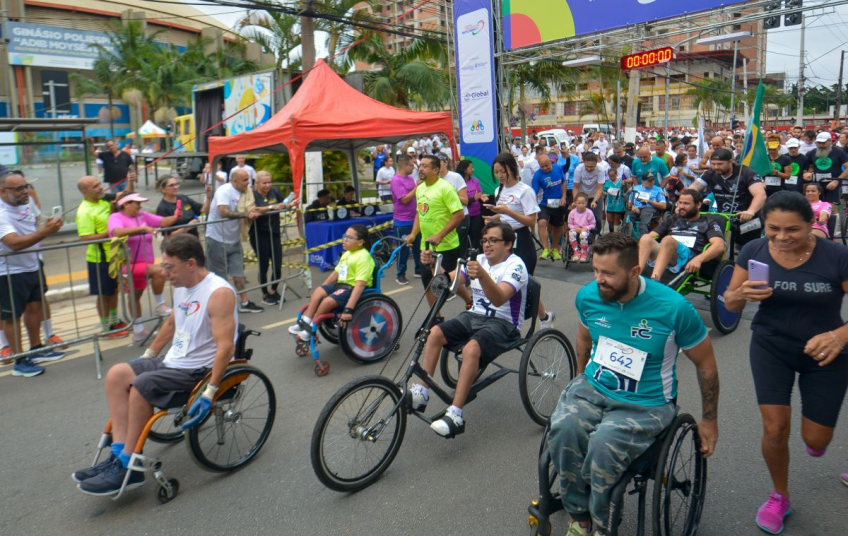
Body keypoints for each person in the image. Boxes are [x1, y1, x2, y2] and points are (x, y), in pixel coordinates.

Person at [548, 232, 719, 536]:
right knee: (563, 428)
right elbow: (584, 337)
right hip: (594, 387)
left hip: (646, 403)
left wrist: (709, 419)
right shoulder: (588, 296)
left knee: (602, 446)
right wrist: (578, 377)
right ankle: (579, 515)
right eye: (596, 270)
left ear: (635, 272)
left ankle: (602, 525)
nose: (599, 280)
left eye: (608, 274)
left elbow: (706, 364)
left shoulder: (673, 308)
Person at [73, 234, 239, 495]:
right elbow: (173, 324)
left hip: (199, 370)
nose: (164, 272)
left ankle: (130, 464)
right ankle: (118, 456)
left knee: (141, 386)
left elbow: (226, 347)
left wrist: (210, 391)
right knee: (118, 373)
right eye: (164, 265)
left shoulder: (218, 293)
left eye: (169, 266)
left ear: (191, 263)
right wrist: (148, 355)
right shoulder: (182, 285)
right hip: (174, 361)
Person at [723, 191, 848, 534]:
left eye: (791, 230)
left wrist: (839, 336)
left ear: (811, 224)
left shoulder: (837, 256)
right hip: (771, 345)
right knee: (775, 428)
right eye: (772, 228)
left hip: (826, 351)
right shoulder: (753, 251)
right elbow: (730, 305)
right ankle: (780, 495)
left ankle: (816, 440)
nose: (780, 237)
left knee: (818, 441)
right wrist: (739, 295)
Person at [409, 221, 528, 437]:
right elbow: (448, 281)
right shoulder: (478, 260)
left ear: (508, 244)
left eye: (493, 240)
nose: (487, 245)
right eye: (484, 240)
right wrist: (432, 264)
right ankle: (422, 391)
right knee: (435, 333)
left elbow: (500, 299)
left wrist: (481, 275)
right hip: (474, 315)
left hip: (503, 322)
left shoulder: (516, 266)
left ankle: (455, 413)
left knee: (471, 349)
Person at [0, 170, 67, 376]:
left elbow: (34, 225)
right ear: (3, 191)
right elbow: (12, 243)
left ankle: (37, 347)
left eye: (26, 186)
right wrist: (44, 232)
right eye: (19, 188)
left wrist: (47, 226)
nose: (25, 191)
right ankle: (20, 361)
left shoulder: (25, 203)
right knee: (13, 316)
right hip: (10, 271)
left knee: (35, 307)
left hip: (32, 265)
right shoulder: (1, 213)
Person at [489, 152, 554, 327]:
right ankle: (542, 318)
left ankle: (541, 320)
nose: (500, 176)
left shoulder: (525, 190)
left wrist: (507, 211)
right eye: (496, 172)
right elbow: (502, 217)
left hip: (522, 240)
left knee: (526, 284)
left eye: (503, 171)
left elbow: (531, 221)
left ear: (512, 168)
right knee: (504, 282)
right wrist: (492, 219)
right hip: (503, 242)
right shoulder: (498, 190)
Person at [108, 193, 179, 341]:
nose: (140, 206)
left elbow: (164, 222)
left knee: (135, 296)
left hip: (144, 263)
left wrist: (176, 216)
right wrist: (143, 229)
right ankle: (160, 305)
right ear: (126, 204)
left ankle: (138, 330)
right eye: (137, 203)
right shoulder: (116, 217)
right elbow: (116, 232)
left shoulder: (142, 216)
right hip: (128, 265)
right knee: (160, 270)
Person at [288, 224, 374, 341]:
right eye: (345, 236)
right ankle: (305, 322)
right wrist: (323, 289)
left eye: (349, 237)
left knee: (327, 301)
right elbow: (335, 274)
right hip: (341, 285)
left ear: (360, 242)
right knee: (318, 292)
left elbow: (360, 285)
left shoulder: (363, 258)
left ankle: (311, 329)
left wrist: (348, 309)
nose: (344, 239)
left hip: (352, 288)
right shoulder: (347, 254)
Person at [406, 155, 464, 307]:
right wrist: (413, 234)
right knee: (429, 284)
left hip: (447, 246)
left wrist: (440, 235)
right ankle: (435, 320)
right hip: (426, 248)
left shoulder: (446, 188)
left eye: (425, 166)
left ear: (435, 170)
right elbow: (420, 213)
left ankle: (469, 300)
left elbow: (459, 215)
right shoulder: (420, 188)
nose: (420, 168)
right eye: (420, 166)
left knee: (451, 282)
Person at [205, 169, 264, 314]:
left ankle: (244, 302)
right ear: (234, 181)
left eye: (248, 179)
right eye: (244, 180)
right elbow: (223, 212)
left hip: (234, 239)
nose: (247, 182)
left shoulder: (246, 192)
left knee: (238, 272)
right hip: (217, 238)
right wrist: (246, 214)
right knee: (219, 276)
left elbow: (253, 208)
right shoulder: (224, 191)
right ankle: (220, 307)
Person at [638, 189, 726, 279]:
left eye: (686, 203)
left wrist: (698, 259)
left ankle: (655, 280)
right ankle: (637, 277)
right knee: (645, 238)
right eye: (680, 203)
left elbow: (719, 246)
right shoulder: (672, 219)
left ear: (698, 205)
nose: (681, 206)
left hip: (688, 257)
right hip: (666, 252)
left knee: (668, 240)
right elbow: (651, 236)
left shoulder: (708, 222)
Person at [692, 148, 767, 246]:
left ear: (731, 161)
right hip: (724, 219)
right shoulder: (710, 173)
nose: (715, 167)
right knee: (721, 248)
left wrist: (751, 211)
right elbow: (693, 189)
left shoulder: (746, 172)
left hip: (747, 220)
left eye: (720, 164)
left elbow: (760, 194)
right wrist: (684, 203)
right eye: (713, 164)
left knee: (748, 248)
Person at [251, 171, 298, 305]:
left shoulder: (274, 192)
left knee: (277, 264)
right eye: (264, 183)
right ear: (257, 183)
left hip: (275, 233)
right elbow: (255, 209)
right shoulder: (252, 194)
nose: (267, 185)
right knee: (264, 265)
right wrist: (272, 207)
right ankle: (265, 293)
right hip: (259, 234)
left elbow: (284, 204)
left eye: (269, 182)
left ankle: (273, 290)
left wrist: (290, 204)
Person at [391, 155, 422, 285]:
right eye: (411, 165)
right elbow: (404, 199)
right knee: (403, 249)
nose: (413, 168)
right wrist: (417, 187)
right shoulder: (396, 181)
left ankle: (419, 269)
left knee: (417, 247)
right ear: (404, 166)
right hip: (402, 221)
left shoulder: (410, 179)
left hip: (414, 218)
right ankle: (400, 274)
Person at [532, 155, 567, 261]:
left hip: (558, 203)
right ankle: (545, 249)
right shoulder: (538, 175)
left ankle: (555, 249)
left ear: (551, 163)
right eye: (542, 166)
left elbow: (563, 183)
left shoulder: (558, 168)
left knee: (557, 227)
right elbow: (534, 193)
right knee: (542, 223)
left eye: (546, 166)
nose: (545, 168)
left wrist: (564, 196)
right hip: (544, 204)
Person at [802, 131, 848, 205]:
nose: (821, 145)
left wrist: (836, 181)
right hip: (817, 184)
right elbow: (810, 167)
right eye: (818, 143)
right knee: (816, 205)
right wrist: (808, 173)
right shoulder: (811, 153)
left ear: (830, 141)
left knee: (832, 206)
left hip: (833, 183)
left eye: (823, 143)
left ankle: (835, 216)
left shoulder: (839, 152)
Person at [438, 154, 470, 255]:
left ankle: (462, 269)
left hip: (460, 217)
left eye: (439, 162)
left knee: (460, 248)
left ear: (446, 163)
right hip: (444, 219)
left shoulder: (455, 177)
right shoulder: (433, 179)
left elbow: (465, 201)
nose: (437, 165)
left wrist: (450, 194)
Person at [572, 152, 606, 235]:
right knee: (583, 217)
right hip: (583, 195)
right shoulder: (579, 169)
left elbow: (599, 187)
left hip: (595, 194)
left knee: (597, 218)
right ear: (583, 163)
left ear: (596, 164)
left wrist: (595, 201)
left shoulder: (600, 169)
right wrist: (575, 200)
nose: (589, 169)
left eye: (592, 167)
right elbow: (576, 187)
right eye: (587, 166)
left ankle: (597, 235)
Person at [456, 160, 486, 249]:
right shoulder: (459, 182)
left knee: (476, 237)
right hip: (464, 216)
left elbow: (479, 193)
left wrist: (480, 197)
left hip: (476, 214)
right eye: (471, 168)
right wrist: (473, 199)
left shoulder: (475, 181)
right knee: (463, 239)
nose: (473, 170)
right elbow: (460, 200)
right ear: (464, 170)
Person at [567, 193, 596, 262]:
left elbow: (593, 224)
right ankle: (576, 251)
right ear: (575, 203)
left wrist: (587, 228)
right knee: (571, 233)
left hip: (585, 229)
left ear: (586, 203)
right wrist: (574, 228)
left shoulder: (589, 212)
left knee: (583, 234)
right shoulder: (572, 212)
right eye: (579, 203)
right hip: (575, 228)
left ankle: (584, 252)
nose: (581, 205)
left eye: (583, 203)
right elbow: (570, 224)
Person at [603, 167, 627, 234]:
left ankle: (616, 233)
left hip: (619, 203)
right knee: (610, 220)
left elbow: (625, 190)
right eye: (610, 176)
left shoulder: (621, 181)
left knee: (616, 218)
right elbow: (603, 191)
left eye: (613, 176)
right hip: (610, 203)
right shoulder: (607, 183)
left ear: (616, 174)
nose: (612, 177)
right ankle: (614, 229)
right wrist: (605, 192)